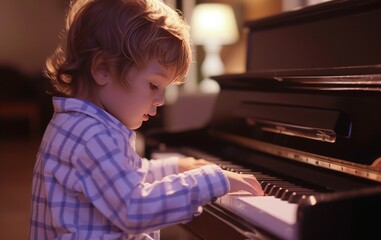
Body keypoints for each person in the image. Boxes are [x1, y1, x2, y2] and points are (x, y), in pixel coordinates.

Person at [29, 0, 264, 239]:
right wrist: (211, 181)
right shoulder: (92, 136)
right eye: (153, 85)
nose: (160, 100)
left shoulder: (82, 126)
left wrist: (174, 167)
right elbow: (134, 208)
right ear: (102, 69)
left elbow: (123, 176)